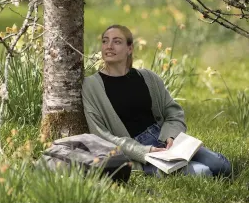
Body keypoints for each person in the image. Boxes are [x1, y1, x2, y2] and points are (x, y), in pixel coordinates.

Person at [81, 24, 232, 177]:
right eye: (105, 41)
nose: (109, 46)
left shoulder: (147, 77)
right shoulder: (91, 86)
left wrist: (171, 136)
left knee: (222, 166)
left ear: (130, 49)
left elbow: (173, 112)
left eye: (117, 41)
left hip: (166, 139)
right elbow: (101, 135)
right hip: (137, 151)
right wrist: (145, 151)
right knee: (203, 173)